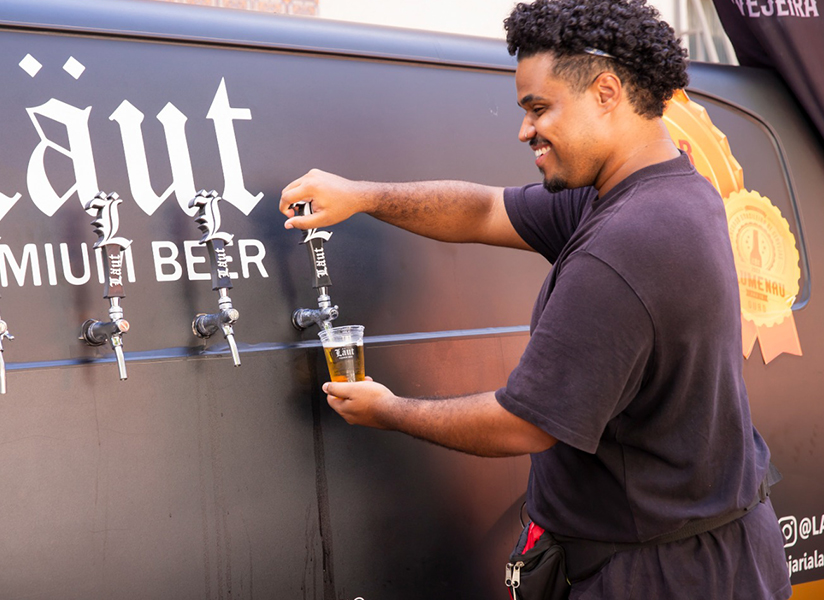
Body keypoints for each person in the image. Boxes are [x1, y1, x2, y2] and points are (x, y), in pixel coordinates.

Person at [278, 0, 792, 598]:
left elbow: (523, 424)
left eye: (539, 108)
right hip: (704, 551)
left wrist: (386, 409)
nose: (525, 130)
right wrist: (361, 195)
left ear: (606, 92)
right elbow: (486, 209)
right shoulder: (654, 188)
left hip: (663, 575)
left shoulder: (627, 245)